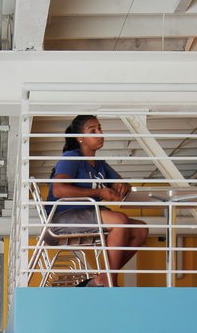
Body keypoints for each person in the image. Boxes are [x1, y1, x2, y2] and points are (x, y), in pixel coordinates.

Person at [47, 114, 149, 286]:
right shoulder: (72, 157)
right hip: (63, 217)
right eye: (93, 130)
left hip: (90, 214)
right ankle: (110, 283)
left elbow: (121, 184)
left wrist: (124, 186)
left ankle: (103, 278)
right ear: (80, 138)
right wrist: (100, 192)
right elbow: (58, 189)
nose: (100, 133)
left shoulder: (101, 164)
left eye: (100, 128)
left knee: (140, 230)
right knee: (120, 221)